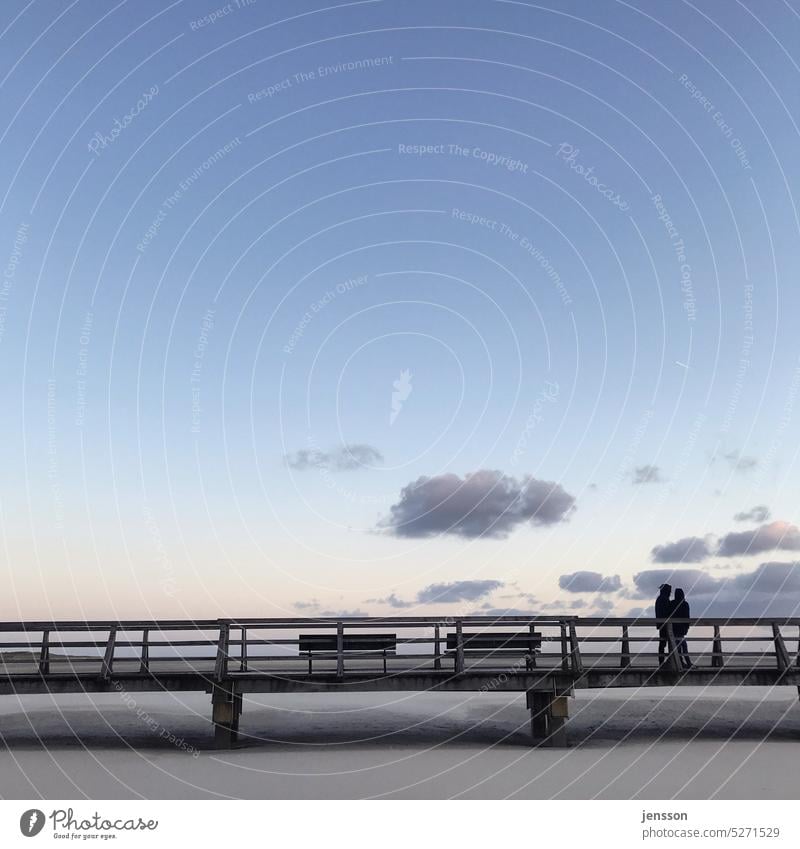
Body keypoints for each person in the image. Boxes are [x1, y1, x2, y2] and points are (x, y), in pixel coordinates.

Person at [671, 588, 692, 669]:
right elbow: (687, 616)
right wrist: (687, 627)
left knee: (678, 646)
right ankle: (687, 662)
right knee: (683, 645)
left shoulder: (672, 603)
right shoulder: (685, 604)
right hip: (682, 628)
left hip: (674, 628)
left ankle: (681, 662)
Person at [655, 583, 672, 666]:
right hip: (665, 625)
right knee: (665, 643)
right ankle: (664, 662)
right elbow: (667, 612)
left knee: (662, 643)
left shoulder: (659, 599)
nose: (670, 593)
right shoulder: (664, 599)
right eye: (669, 591)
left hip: (661, 624)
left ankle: (661, 662)